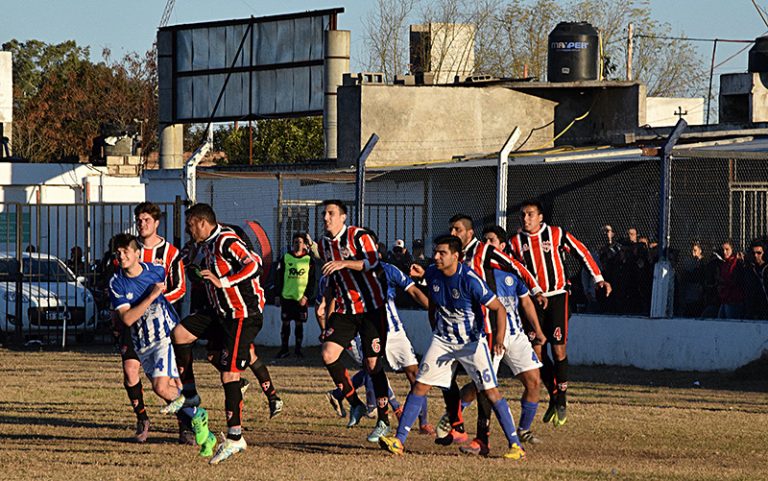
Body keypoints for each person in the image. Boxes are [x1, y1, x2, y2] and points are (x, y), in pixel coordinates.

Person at [378, 235, 526, 461]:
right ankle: (398, 441)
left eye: (441, 253)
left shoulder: (470, 279)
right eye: (436, 252)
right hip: (443, 341)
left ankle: (516, 445)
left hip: (471, 344)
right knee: (420, 385)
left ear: (456, 256)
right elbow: (432, 303)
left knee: (490, 392)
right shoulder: (434, 273)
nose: (436, 256)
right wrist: (433, 326)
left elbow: (499, 309)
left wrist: (499, 338)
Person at [413, 214, 543, 447]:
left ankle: (490, 435)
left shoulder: (484, 252)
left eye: (458, 230)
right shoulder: (448, 257)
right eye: (451, 230)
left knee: (493, 385)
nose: (453, 234)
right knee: (460, 381)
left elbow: (514, 266)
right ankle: (460, 425)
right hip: (466, 329)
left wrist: (535, 288)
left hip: (493, 327)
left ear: (469, 233)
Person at [167, 203, 281, 464]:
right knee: (181, 335)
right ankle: (191, 393)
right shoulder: (203, 245)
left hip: (243, 313)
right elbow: (183, 261)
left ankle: (235, 437)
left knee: (230, 372)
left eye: (190, 224)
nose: (187, 229)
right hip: (220, 313)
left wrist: (223, 281)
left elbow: (253, 265)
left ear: (202, 222)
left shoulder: (226, 240)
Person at [508, 200, 611, 427]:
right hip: (532, 301)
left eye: (530, 214)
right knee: (537, 354)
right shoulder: (515, 241)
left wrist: (599, 279)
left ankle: (562, 399)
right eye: (523, 215)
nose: (526, 219)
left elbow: (582, 252)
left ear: (541, 217)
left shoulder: (556, 234)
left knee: (558, 348)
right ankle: (554, 395)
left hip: (557, 296)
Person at [108, 233, 212, 453]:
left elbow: (171, 288)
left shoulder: (155, 270)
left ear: (137, 253)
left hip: (164, 335)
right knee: (172, 387)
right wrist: (151, 296)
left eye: (126, 251)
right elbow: (127, 318)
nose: (122, 255)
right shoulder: (116, 282)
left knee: (161, 386)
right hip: (142, 342)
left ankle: (195, 418)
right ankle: (203, 430)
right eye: (118, 252)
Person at [456, 225, 546, 455]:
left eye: (492, 241)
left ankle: (523, 429)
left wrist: (537, 330)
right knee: (484, 386)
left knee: (534, 381)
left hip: (514, 334)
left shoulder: (511, 271)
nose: (486, 245)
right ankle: (466, 426)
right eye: (484, 241)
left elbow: (525, 303)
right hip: (489, 332)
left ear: (502, 246)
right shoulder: (473, 270)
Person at [316, 199, 394, 442]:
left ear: (343, 217)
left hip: (371, 309)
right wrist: (324, 302)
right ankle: (355, 403)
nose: (326, 218)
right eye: (324, 214)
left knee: (372, 365)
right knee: (328, 354)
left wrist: (345, 263)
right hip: (345, 308)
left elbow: (373, 262)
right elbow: (332, 276)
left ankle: (383, 419)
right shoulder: (323, 244)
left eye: (330, 213)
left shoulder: (358, 236)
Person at [117, 202, 189, 444]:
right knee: (129, 370)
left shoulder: (169, 253)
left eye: (146, 220)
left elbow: (179, 287)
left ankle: (185, 423)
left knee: (166, 382)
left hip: (160, 326)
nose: (142, 224)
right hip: (133, 322)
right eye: (139, 220)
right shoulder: (127, 248)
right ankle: (142, 419)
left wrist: (155, 302)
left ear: (157, 223)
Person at [274, 232, 316, 358]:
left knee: (299, 323)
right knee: (285, 323)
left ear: (304, 245)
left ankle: (298, 350)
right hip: (287, 297)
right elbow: (279, 277)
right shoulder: (286, 257)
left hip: (301, 299)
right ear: (292, 244)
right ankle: (284, 349)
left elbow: (312, 280)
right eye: (296, 242)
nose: (298, 244)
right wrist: (277, 295)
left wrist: (306, 296)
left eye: (301, 242)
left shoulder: (309, 260)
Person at [717, 240, 746, 319]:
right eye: (723, 250)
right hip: (725, 298)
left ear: (732, 250)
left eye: (727, 249)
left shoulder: (736, 262)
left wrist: (724, 283)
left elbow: (735, 279)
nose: (724, 252)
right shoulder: (725, 263)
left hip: (733, 299)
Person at [678, 242, 706, 317]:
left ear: (700, 250)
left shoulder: (702, 263)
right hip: (690, 293)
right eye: (692, 250)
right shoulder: (691, 262)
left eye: (695, 250)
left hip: (696, 292)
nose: (692, 253)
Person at [745, 240, 768, 319]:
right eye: (753, 253)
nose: (755, 255)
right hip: (752, 309)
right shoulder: (749, 269)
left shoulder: (765, 269)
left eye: (759, 253)